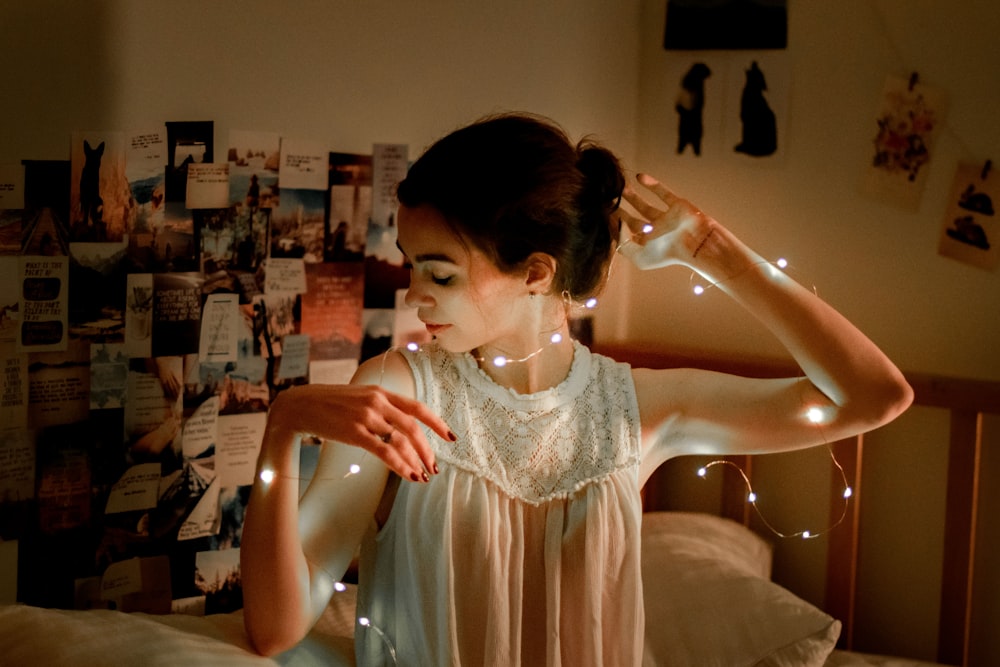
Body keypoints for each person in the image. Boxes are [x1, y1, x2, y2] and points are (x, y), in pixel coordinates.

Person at [241, 113, 913, 665]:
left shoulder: (636, 410)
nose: (414, 295)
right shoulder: (398, 390)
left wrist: (714, 252)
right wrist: (283, 426)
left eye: (439, 274)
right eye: (412, 265)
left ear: (536, 271)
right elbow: (277, 626)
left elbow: (874, 394)